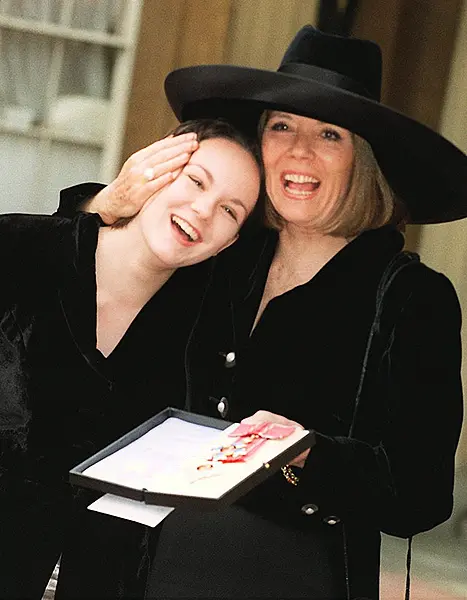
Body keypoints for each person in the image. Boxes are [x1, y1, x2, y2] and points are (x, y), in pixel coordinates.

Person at [70, 26, 467, 599]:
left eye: (328, 134)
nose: (299, 152)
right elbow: (74, 279)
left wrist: (305, 452)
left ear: (364, 159)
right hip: (126, 565)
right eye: (281, 126)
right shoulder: (215, 250)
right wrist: (105, 204)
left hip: (280, 576)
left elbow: (420, 496)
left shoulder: (410, 299)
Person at [0, 118, 261, 599]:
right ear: (151, 168)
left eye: (230, 209)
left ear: (231, 241)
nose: (203, 210)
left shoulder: (202, 350)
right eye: (196, 180)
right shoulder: (15, 251)